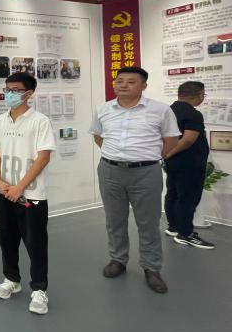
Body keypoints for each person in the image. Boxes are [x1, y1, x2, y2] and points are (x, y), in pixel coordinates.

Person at [89, 66, 181, 294]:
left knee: (148, 222)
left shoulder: (160, 110)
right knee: (114, 219)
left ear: (143, 86)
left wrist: (146, 158)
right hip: (110, 171)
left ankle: (151, 267)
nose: (123, 85)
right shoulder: (103, 109)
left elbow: (171, 140)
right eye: (120, 80)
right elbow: (98, 136)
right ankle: (118, 259)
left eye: (131, 82)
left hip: (145, 173)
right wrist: (118, 156)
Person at [0, 72, 56, 315]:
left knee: (35, 243)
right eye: (7, 89)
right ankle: (11, 279)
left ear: (29, 93)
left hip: (31, 195)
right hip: (3, 191)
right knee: (7, 239)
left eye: (15, 90)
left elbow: (43, 157)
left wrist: (20, 187)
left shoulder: (40, 121)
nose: (10, 93)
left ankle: (39, 289)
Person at [163, 81, 214, 249]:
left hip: (172, 163)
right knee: (188, 198)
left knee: (173, 194)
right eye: (203, 94)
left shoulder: (168, 110)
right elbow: (188, 140)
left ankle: (174, 227)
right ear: (198, 95)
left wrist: (167, 155)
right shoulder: (193, 114)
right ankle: (185, 234)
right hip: (189, 163)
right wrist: (170, 153)